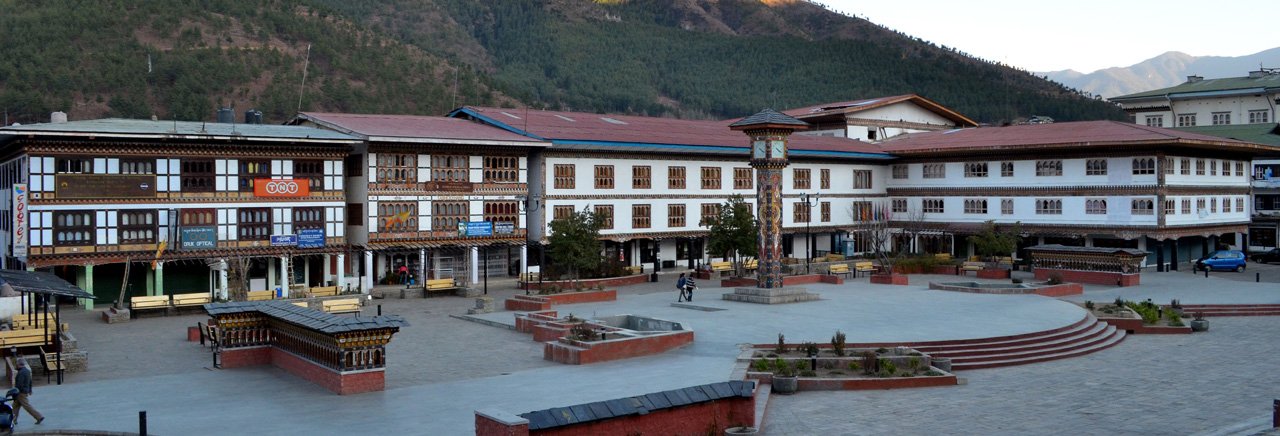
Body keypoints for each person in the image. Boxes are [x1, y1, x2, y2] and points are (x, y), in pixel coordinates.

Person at [13, 359, 42, 425]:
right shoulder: (27, 371)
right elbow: (30, 381)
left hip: (20, 393)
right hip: (24, 391)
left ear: (19, 365)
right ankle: (13, 420)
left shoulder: (21, 373)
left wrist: (15, 392)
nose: (16, 366)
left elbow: (19, 384)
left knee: (27, 406)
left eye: (17, 365)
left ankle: (39, 417)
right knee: (15, 407)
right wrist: (30, 390)